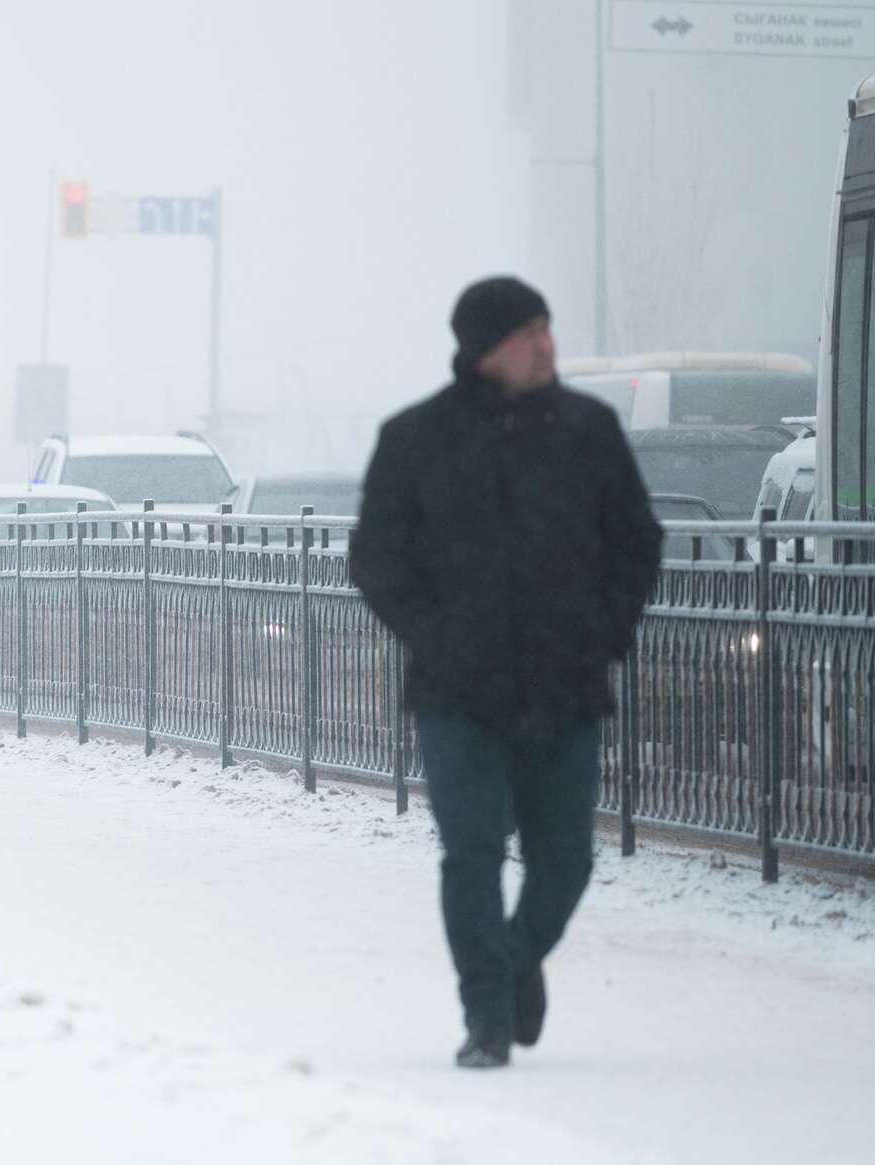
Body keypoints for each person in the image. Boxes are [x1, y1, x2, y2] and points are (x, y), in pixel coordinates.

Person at [349, 277, 661, 1070]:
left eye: (547, 328)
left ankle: (515, 960)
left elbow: (636, 542)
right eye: (529, 332)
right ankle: (487, 1016)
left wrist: (605, 637)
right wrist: (438, 638)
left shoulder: (588, 432)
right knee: (473, 851)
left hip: (567, 687)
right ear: (486, 349)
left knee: (565, 859)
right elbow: (377, 561)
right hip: (459, 695)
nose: (547, 345)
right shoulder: (417, 438)